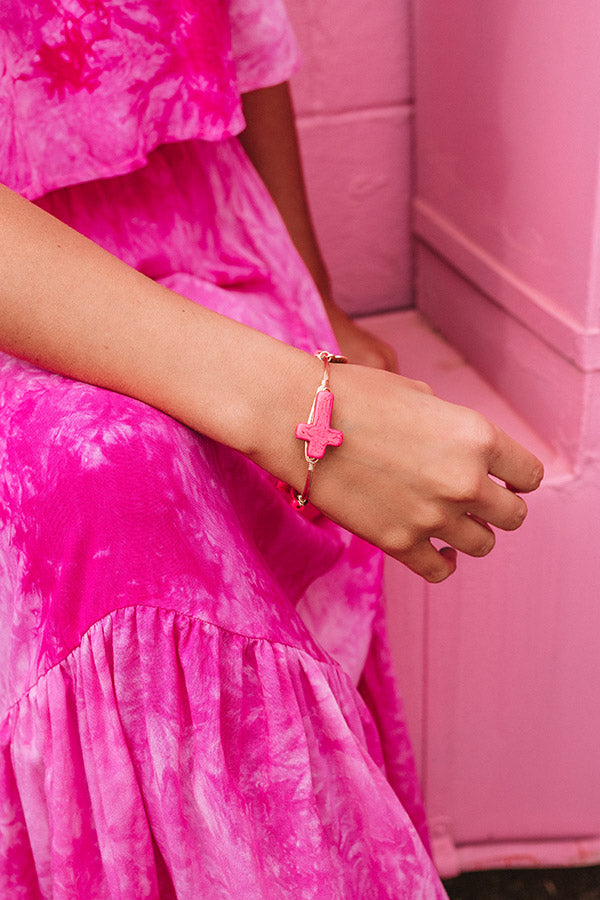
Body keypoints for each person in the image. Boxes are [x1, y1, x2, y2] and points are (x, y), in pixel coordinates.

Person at [0, 0, 543, 896]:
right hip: (27, 287)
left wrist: (318, 305)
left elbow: (251, 43)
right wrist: (306, 412)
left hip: (204, 230)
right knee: (112, 478)